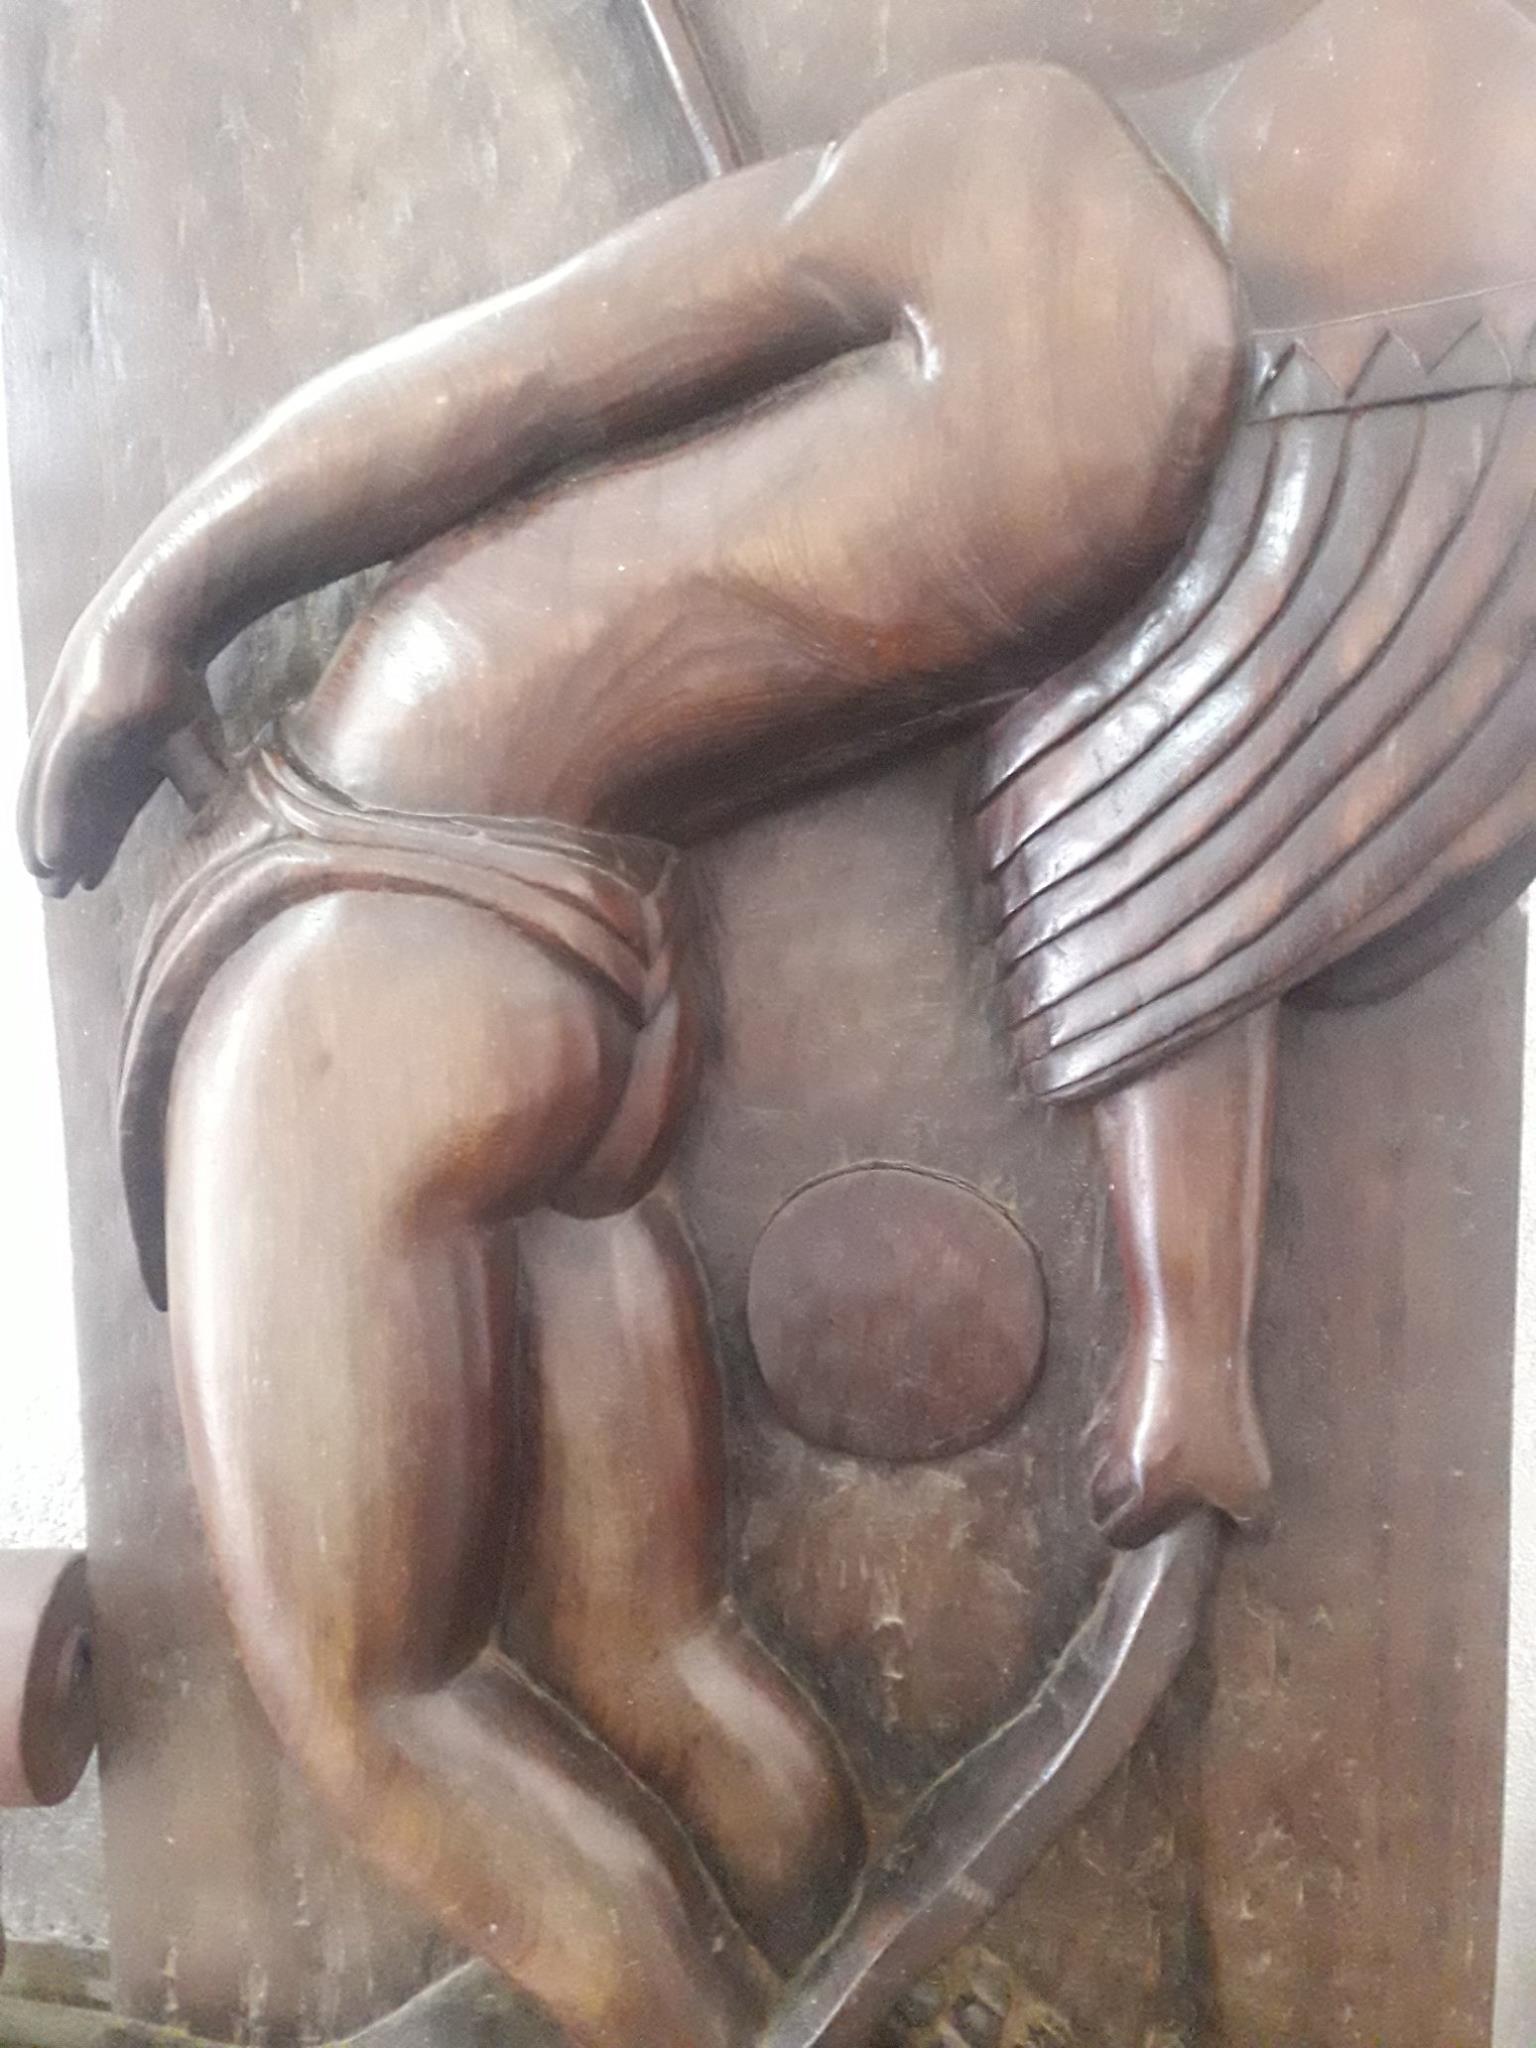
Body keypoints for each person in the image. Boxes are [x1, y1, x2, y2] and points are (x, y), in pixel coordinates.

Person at [18, 61, 1239, 2048]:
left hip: (372, 944)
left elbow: (517, 381)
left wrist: (158, 593)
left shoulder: (1010, 168)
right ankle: (829, 1998)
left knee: (381, 1704)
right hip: (577, 989)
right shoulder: (1162, 376)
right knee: (655, 1651)